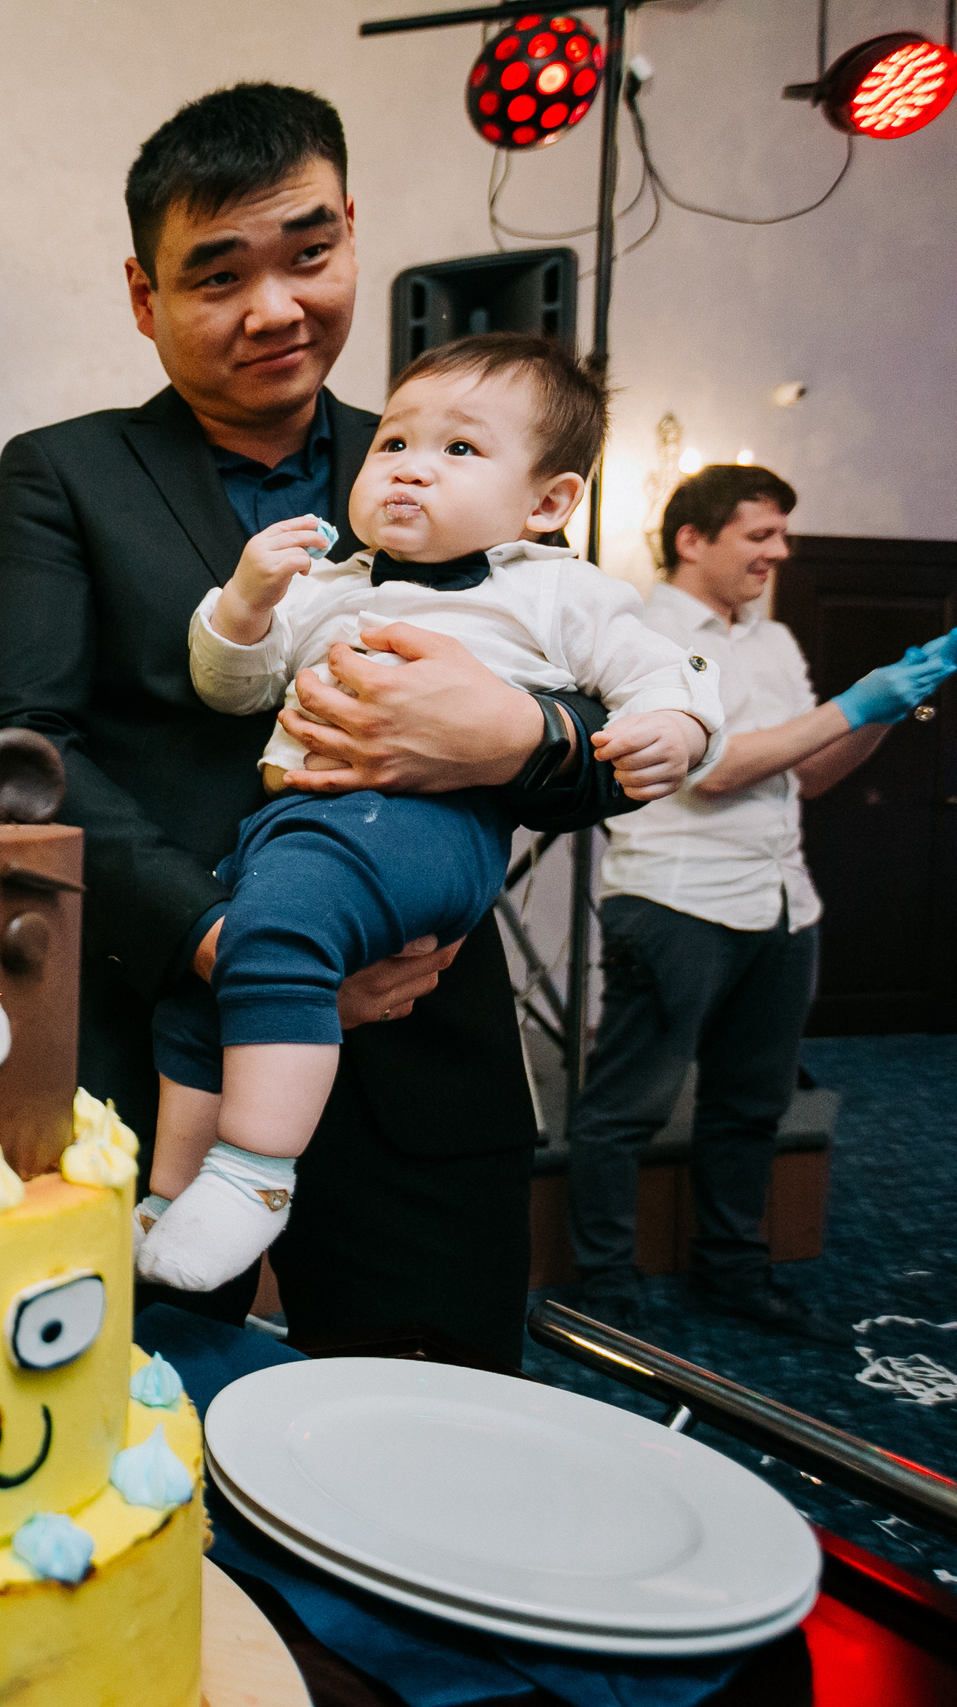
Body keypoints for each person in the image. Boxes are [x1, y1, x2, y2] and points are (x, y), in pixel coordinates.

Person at [0, 83, 637, 1367]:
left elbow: (606, 695)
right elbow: (17, 753)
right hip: (164, 1043)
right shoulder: (63, 474)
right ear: (144, 297)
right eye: (217, 276)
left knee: (427, 1439)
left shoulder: (454, 455)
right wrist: (232, 946)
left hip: (425, 1056)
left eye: (308, 254)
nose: (275, 307)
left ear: (352, 237)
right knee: (130, 1419)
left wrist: (509, 737)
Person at [138, 334, 721, 1291]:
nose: (411, 466)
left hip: (424, 829)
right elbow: (229, 688)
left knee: (276, 933)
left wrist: (678, 724)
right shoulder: (327, 586)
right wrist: (245, 602)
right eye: (395, 442)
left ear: (547, 503)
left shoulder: (552, 588)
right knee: (201, 989)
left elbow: (665, 667)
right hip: (293, 827)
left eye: (459, 451)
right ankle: (169, 1199)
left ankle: (255, 1174)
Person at [568, 465, 957, 1344]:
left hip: (782, 902)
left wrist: (886, 711)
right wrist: (853, 702)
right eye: (760, 534)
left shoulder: (773, 640)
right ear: (692, 540)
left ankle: (731, 1273)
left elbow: (811, 773)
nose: (780, 551)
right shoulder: (642, 631)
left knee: (751, 1105)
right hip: (676, 903)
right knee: (627, 1107)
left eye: (783, 533)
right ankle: (602, 1288)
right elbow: (714, 770)